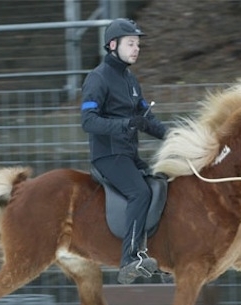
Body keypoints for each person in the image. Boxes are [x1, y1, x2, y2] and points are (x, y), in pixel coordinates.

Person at [81, 18, 168, 284]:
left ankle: (162, 256)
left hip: (129, 155)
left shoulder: (131, 80)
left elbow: (146, 119)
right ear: (112, 45)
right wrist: (125, 124)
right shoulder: (97, 78)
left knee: (164, 184)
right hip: (108, 156)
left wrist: (176, 137)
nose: (136, 49)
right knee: (139, 192)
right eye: (131, 44)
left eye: (138, 44)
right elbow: (88, 121)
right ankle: (129, 259)